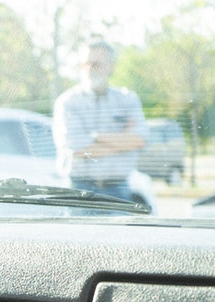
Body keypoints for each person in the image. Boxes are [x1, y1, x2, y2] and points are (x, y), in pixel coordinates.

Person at [53, 38, 148, 201]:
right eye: (85, 64)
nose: (90, 69)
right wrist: (122, 143)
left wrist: (94, 137)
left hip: (119, 189)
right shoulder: (67, 102)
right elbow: (75, 148)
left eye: (96, 63)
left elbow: (140, 139)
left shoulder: (127, 99)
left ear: (111, 66)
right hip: (78, 190)